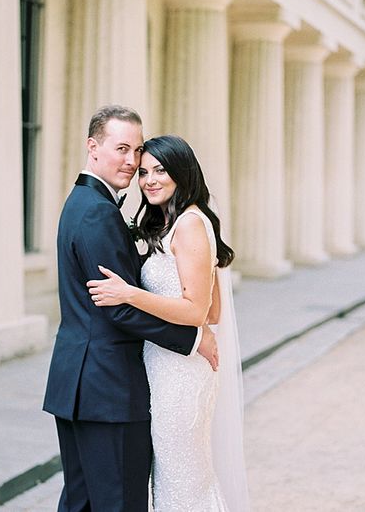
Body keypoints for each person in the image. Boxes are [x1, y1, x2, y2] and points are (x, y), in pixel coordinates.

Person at [43, 106, 219, 512]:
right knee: (119, 503)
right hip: (108, 388)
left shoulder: (84, 203)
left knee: (83, 502)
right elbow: (116, 307)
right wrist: (192, 339)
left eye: (136, 150)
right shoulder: (97, 212)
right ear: (93, 148)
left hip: (80, 382)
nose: (131, 161)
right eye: (121, 148)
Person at [87, 134, 250, 511]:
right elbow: (212, 313)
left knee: (183, 480)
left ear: (182, 173)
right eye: (143, 173)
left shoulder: (191, 223)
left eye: (160, 171)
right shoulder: (171, 223)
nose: (149, 180)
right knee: (173, 478)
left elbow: (196, 310)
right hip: (163, 368)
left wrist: (130, 293)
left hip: (182, 374)